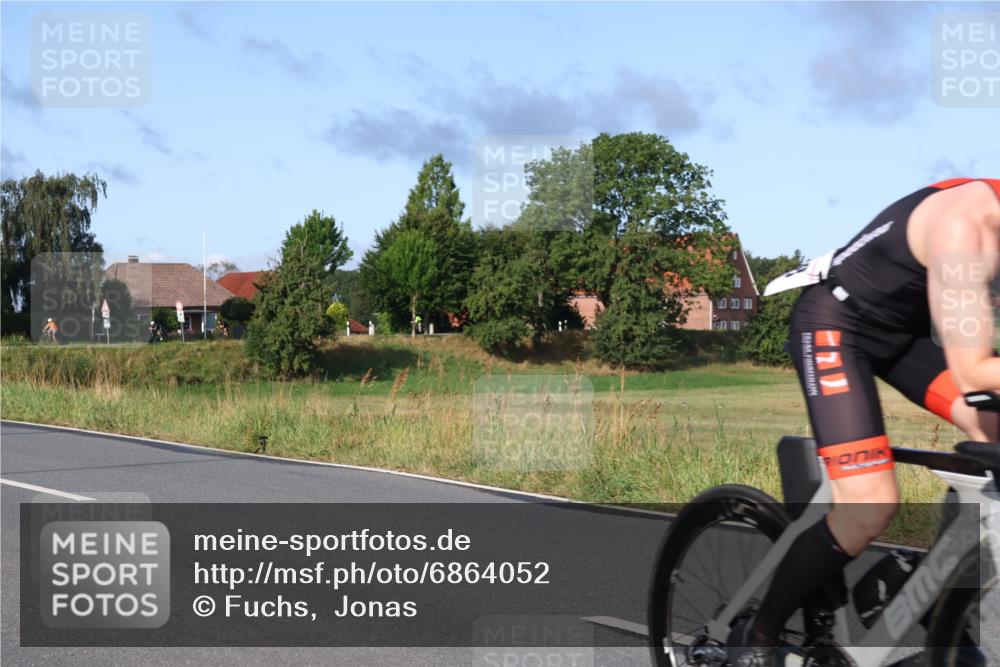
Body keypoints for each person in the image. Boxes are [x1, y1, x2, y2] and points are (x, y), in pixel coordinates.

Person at [729, 178, 1000, 666]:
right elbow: (975, 369)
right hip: (838, 326)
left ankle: (917, 581)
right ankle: (758, 636)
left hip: (908, 337)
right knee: (870, 505)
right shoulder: (966, 225)